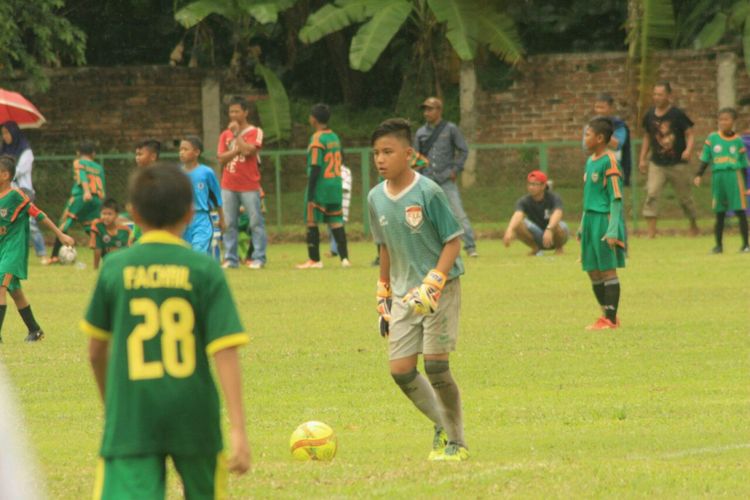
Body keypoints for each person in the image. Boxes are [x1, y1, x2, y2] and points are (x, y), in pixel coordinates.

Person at [81, 163, 251, 498]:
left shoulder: (115, 268)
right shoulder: (204, 268)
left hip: (133, 413)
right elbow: (225, 349)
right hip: (195, 413)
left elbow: (96, 351)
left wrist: (111, 406)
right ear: (190, 214)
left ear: (133, 214)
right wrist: (238, 429)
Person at [368, 118, 468, 461]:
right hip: (403, 295)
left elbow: (453, 242)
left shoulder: (429, 192)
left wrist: (434, 281)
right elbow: (385, 247)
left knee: (437, 367)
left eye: (388, 152)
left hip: (440, 289)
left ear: (408, 154)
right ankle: (442, 424)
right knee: (401, 371)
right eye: (376, 153)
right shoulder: (375, 198)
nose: (380, 159)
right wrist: (383, 294)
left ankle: (458, 442)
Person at [0, 155, 74, 343]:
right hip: (2, 249)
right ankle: (35, 330)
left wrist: (60, 234)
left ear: (5, 175)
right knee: (15, 292)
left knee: (0, 285)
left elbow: (38, 214)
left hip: (13, 250)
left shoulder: (16, 196)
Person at [414, 97, 478, 257]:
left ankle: (470, 246)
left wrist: (455, 170)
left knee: (457, 213)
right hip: (427, 180)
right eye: (425, 109)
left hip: (446, 179)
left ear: (439, 110)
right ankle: (430, 249)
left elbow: (463, 150)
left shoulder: (450, 129)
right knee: (426, 216)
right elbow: (416, 157)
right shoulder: (420, 133)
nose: (426, 112)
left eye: (430, 109)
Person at [579, 118, 627, 330]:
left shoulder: (610, 161)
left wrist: (613, 229)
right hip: (589, 219)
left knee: (607, 270)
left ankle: (610, 319)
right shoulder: (591, 161)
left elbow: (616, 198)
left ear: (599, 138)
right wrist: (582, 225)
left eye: (588, 134)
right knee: (592, 270)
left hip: (604, 219)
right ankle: (606, 315)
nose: (584, 138)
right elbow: (589, 195)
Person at [639, 81, 699, 238]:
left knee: (685, 198)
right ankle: (651, 232)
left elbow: (690, 133)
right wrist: (642, 158)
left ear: (668, 96)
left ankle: (693, 225)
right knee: (652, 194)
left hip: (678, 164)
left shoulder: (677, 114)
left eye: (660, 94)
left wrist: (688, 149)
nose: (656, 97)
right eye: (655, 94)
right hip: (657, 163)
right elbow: (646, 136)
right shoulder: (649, 115)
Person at [297, 103, 350, 269]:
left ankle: (314, 260)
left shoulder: (317, 138)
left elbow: (315, 166)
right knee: (336, 222)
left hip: (321, 185)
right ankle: (345, 259)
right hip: (335, 185)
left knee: (312, 222)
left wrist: (311, 194)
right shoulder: (334, 136)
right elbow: (342, 156)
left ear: (313, 119)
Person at [217, 96, 267, 269]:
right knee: (230, 223)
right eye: (231, 111)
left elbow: (248, 151)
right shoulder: (224, 134)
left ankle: (258, 257)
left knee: (255, 222)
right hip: (228, 184)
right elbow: (221, 158)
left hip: (249, 185)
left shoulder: (255, 132)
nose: (233, 114)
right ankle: (231, 258)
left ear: (246, 112)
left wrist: (237, 135)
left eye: (237, 111)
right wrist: (236, 149)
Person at [694, 108, 749, 253]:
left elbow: (743, 164)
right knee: (720, 212)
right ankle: (718, 246)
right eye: (721, 119)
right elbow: (705, 158)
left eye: (727, 119)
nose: (723, 122)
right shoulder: (712, 138)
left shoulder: (738, 141)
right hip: (718, 177)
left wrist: (747, 184)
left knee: (740, 211)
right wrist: (698, 174)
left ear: (733, 122)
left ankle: (745, 245)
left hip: (734, 176)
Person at [50, 141, 106, 263]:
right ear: (94, 153)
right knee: (92, 227)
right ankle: (107, 257)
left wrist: (86, 191)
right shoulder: (99, 167)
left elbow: (82, 176)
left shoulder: (79, 162)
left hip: (82, 196)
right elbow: (102, 185)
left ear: (78, 153)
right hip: (97, 199)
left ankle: (54, 256)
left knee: (64, 223)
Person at [0, 121, 48, 263]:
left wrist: (6, 172)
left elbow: (19, 171)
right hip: (6, 191)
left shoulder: (25, 151)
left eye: (7, 133)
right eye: (2, 133)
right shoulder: (4, 151)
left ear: (14, 133)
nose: (4, 136)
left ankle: (42, 253)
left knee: (30, 221)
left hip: (23, 191)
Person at [503, 170, 568, 255]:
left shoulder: (554, 198)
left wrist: (549, 229)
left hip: (553, 233)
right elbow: (518, 215)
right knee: (517, 225)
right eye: (529, 184)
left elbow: (558, 213)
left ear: (543, 186)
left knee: (558, 225)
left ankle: (559, 248)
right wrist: (510, 230)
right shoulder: (524, 201)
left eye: (534, 184)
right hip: (538, 233)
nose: (531, 187)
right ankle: (536, 249)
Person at [180, 136, 224, 254]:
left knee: (198, 251)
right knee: (186, 255)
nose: (182, 152)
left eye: (185, 149)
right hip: (183, 220)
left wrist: (222, 221)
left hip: (201, 219)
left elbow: (217, 199)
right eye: (180, 149)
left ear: (196, 152)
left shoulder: (206, 172)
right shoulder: (178, 174)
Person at [584, 93, 632, 186]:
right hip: (595, 167)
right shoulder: (591, 125)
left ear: (610, 108)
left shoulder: (618, 125)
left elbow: (618, 145)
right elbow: (585, 147)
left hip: (614, 166)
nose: (599, 111)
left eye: (602, 108)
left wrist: (602, 133)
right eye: (597, 107)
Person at [89, 198, 132, 270]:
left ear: (116, 215)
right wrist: (93, 241)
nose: (106, 217)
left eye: (110, 214)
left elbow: (130, 245)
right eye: (104, 214)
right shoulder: (97, 224)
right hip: (107, 255)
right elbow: (93, 244)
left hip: (121, 256)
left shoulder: (125, 230)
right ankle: (96, 267)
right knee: (98, 246)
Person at [327, 164, 352, 258]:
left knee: (337, 229)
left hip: (342, 206)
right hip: (331, 205)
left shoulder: (345, 171)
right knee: (330, 230)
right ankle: (336, 249)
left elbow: (345, 188)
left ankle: (335, 251)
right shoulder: (329, 170)